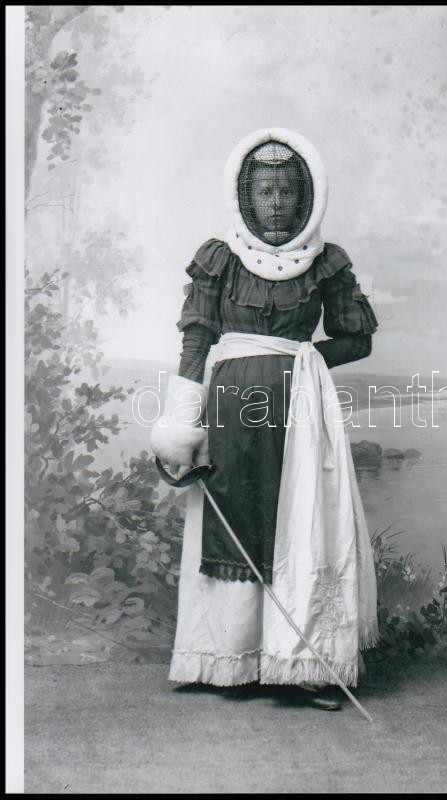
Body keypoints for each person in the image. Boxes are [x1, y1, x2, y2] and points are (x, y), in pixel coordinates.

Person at [150, 128, 379, 711]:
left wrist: (303, 362)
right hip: (230, 410)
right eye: (265, 191)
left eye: (286, 191)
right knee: (232, 517)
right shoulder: (220, 260)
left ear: (306, 196)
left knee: (298, 522)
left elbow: (356, 339)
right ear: (245, 196)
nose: (276, 203)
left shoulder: (326, 263)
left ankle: (303, 665)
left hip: (299, 412)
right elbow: (197, 340)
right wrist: (180, 421)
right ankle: (224, 658)